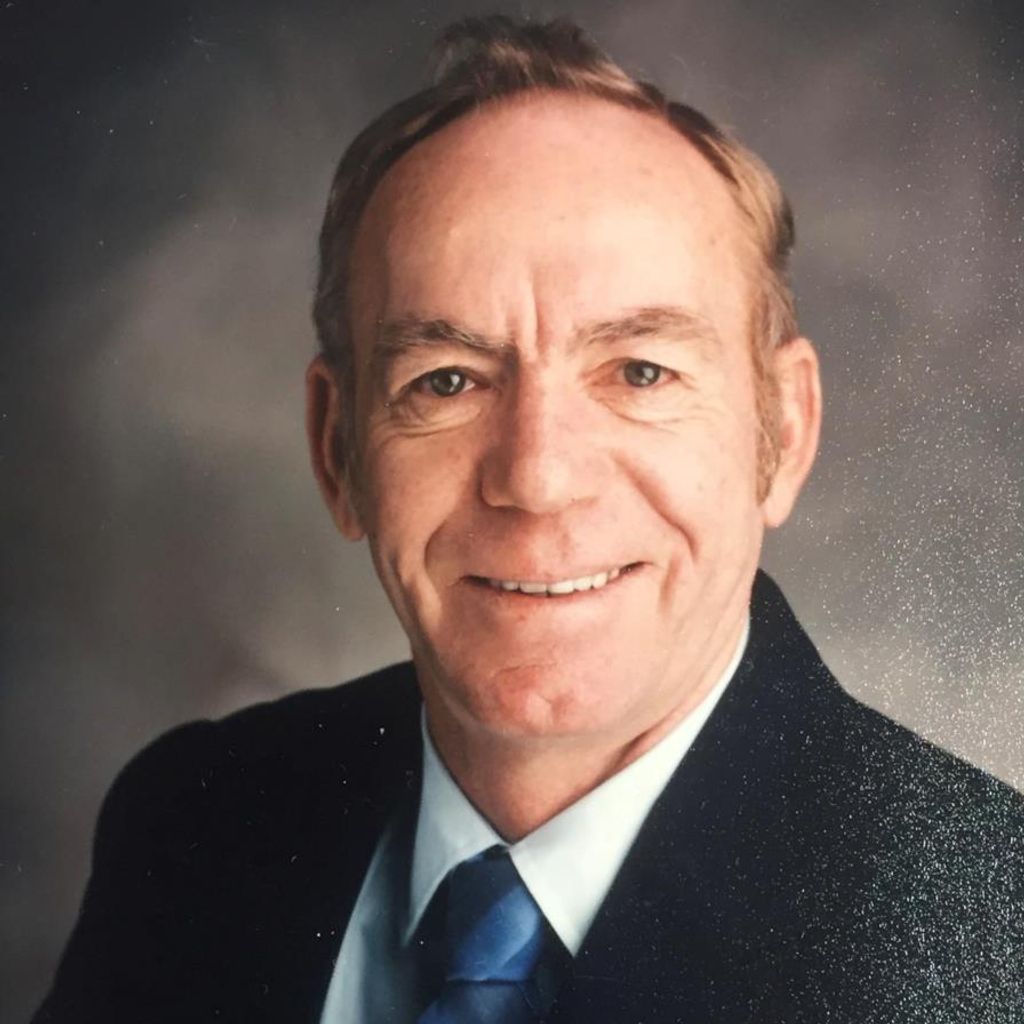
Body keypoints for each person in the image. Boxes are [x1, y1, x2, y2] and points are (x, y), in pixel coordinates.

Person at [35, 16, 1023, 1024]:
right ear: (337, 450)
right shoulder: (192, 824)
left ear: (786, 430)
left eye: (640, 372)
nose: (538, 477)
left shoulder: (988, 928)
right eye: (447, 380)